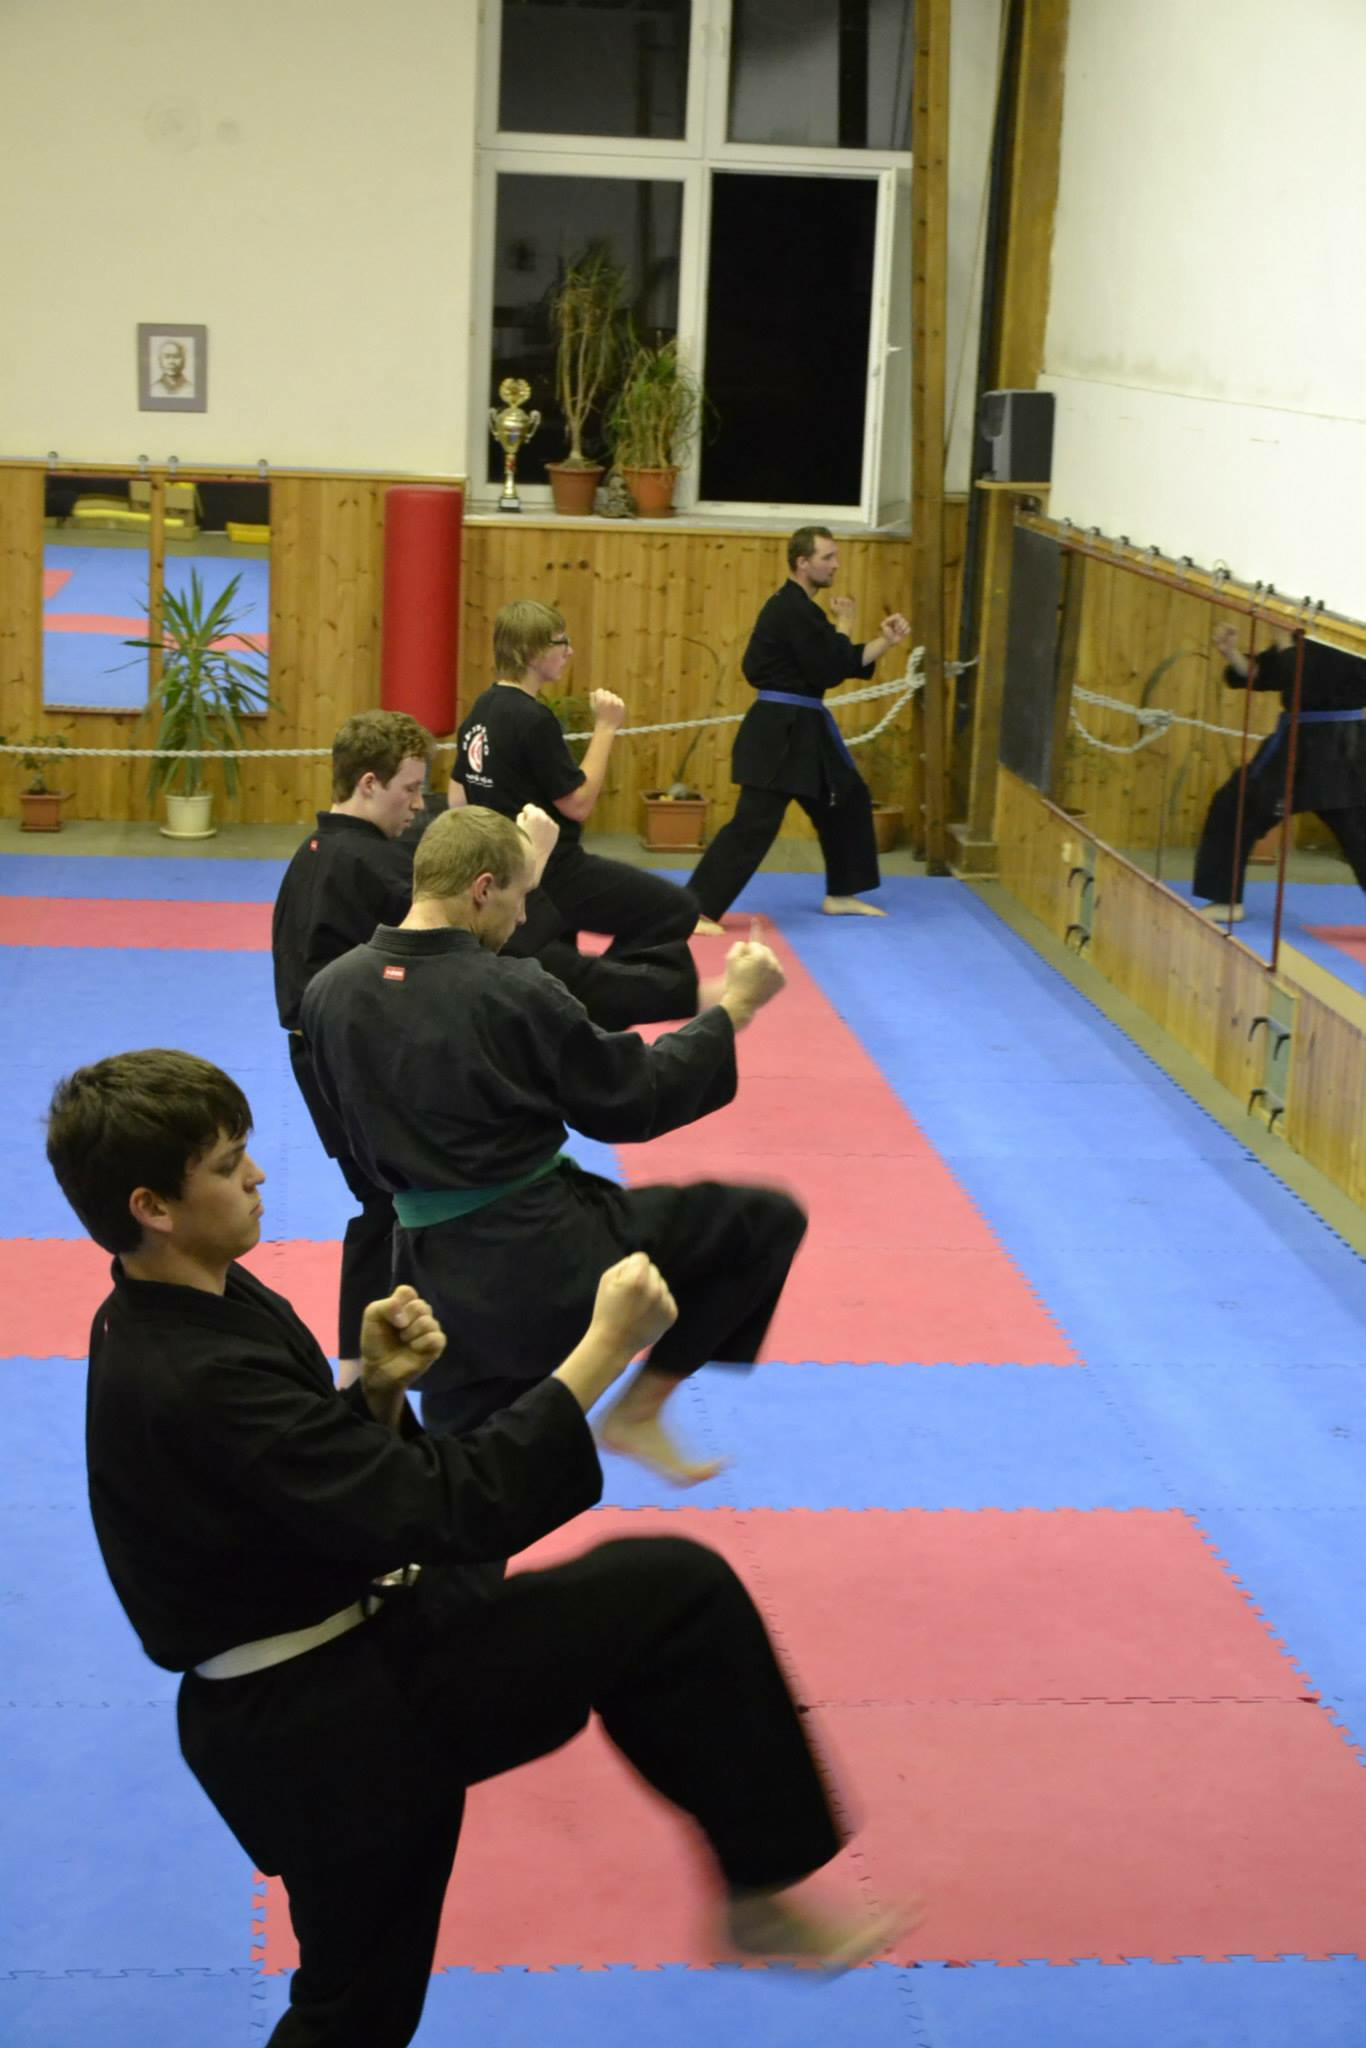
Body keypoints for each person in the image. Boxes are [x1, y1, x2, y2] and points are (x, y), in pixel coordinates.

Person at [45, 1049, 904, 2048]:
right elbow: (445, 1504)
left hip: (358, 1649)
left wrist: (374, 1393)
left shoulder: (194, 1303)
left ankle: (760, 1879)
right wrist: (600, 1348)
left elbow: (289, 1491)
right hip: (317, 1726)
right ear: (152, 1205)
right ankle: (759, 1885)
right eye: (230, 1164)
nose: (258, 1175)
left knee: (670, 1596)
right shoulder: (187, 1371)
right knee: (353, 2012)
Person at [301, 805, 808, 1484]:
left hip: (432, 1280)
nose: (522, 918)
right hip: (546, 1258)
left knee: (468, 1491)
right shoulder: (512, 988)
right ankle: (639, 1411)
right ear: (482, 888)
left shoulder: (328, 993)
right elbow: (633, 1096)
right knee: (762, 1223)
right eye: (520, 897)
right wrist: (734, 1007)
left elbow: (350, 1133)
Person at [273, 714, 712, 1379]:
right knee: (393, 1205)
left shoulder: (314, 854)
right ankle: (374, 1368)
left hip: (340, 1047)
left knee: (390, 1205)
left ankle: (370, 1367)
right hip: (354, 1052)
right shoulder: (369, 866)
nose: (417, 805)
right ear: (367, 784)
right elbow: (483, 946)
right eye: (409, 789)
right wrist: (531, 864)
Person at [454, 599, 702, 980]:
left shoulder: (479, 711)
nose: (569, 651)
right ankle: (607, 989)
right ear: (531, 652)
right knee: (677, 909)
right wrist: (606, 727)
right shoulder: (533, 719)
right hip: (552, 869)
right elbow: (579, 804)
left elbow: (458, 797)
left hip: (504, 869)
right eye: (560, 642)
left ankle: (585, 991)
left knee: (558, 960)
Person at [688, 527, 912, 925]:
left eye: (835, 557)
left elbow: (838, 660)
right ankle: (697, 909)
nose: (836, 565)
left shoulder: (803, 611)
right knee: (756, 821)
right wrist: (846, 621)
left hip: (804, 725)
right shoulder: (791, 610)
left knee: (846, 799)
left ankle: (841, 893)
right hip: (780, 729)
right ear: (802, 563)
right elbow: (829, 669)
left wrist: (885, 642)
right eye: (827, 557)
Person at [1193, 625, 1366, 920]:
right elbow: (1265, 674)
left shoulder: (1351, 638)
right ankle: (1225, 900)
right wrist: (1233, 654)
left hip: (1340, 747)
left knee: (1358, 831)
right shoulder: (1307, 635)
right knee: (1234, 806)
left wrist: (1286, 643)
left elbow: (1300, 681)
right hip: (1293, 744)